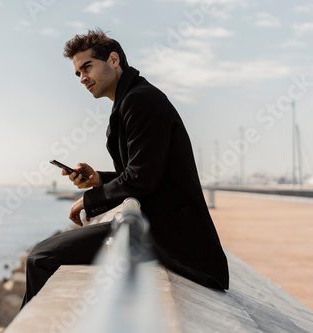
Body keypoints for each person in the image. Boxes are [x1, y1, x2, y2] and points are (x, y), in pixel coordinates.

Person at [21, 28, 229, 308]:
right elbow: (144, 170)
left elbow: (142, 179)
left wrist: (89, 199)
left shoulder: (140, 100)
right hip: (155, 226)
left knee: (40, 257)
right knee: (43, 255)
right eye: (77, 73)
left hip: (173, 236)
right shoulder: (131, 99)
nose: (82, 78)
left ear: (114, 60)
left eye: (87, 67)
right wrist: (98, 180)